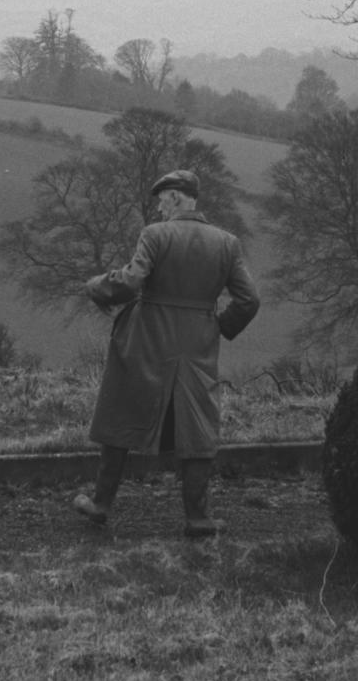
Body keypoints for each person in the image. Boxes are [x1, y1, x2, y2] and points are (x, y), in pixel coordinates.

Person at [72, 168, 259, 537]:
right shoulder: (227, 242)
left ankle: (101, 504)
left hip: (147, 337)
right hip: (197, 343)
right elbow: (250, 299)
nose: (159, 209)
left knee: (120, 412)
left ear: (175, 197)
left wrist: (96, 286)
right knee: (198, 424)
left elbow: (130, 282)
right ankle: (197, 518)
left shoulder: (155, 235)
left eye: (161, 201)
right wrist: (219, 325)